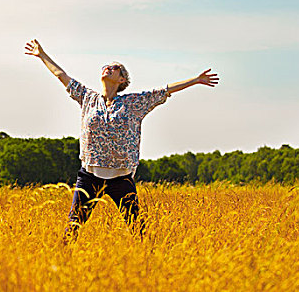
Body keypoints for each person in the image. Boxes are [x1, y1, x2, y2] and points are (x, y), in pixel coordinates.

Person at [24, 39, 219, 243]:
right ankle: (61, 262)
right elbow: (61, 75)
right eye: (106, 66)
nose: (108, 68)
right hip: (90, 176)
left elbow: (166, 90)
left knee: (139, 230)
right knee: (73, 226)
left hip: (121, 179)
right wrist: (42, 55)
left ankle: (150, 263)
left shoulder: (134, 103)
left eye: (115, 68)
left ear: (122, 79)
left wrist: (196, 80)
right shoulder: (88, 98)